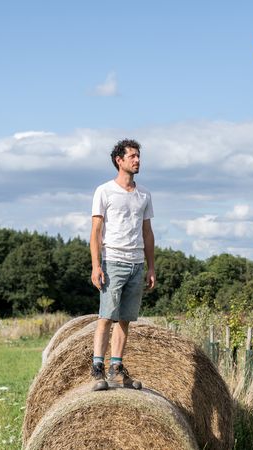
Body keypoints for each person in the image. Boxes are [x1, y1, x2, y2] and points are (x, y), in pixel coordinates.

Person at [89, 138, 155, 390]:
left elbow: (148, 233)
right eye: (132, 156)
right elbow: (96, 231)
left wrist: (151, 267)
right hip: (113, 261)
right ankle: (98, 369)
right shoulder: (104, 191)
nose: (137, 160)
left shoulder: (144, 194)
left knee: (125, 319)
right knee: (106, 316)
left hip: (137, 263)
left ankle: (116, 368)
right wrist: (96, 265)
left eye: (138, 156)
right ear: (119, 160)